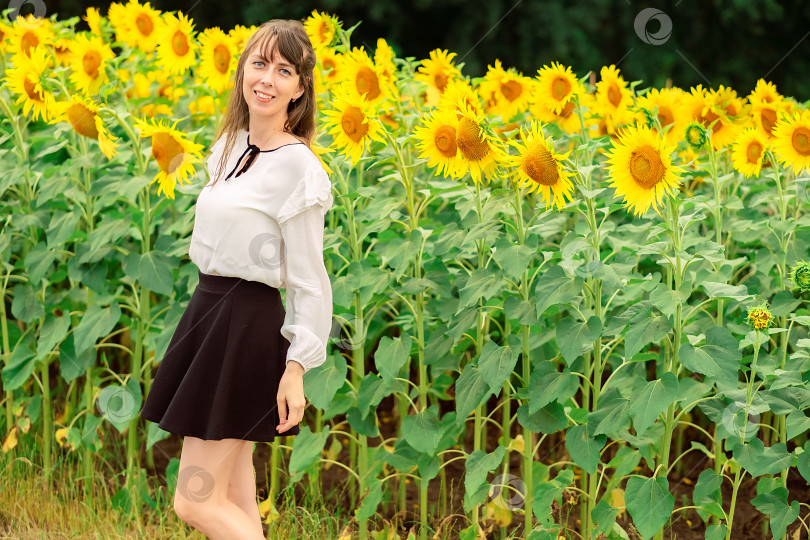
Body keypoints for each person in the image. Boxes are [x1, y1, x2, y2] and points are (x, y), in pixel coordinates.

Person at [140, 18, 334, 539]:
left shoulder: (300, 169)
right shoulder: (229, 147)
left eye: (284, 69)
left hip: (246, 326)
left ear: (300, 87)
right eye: (259, 63)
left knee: (193, 502)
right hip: (208, 313)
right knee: (231, 495)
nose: (267, 78)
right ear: (243, 71)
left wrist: (296, 368)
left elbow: (310, 280)